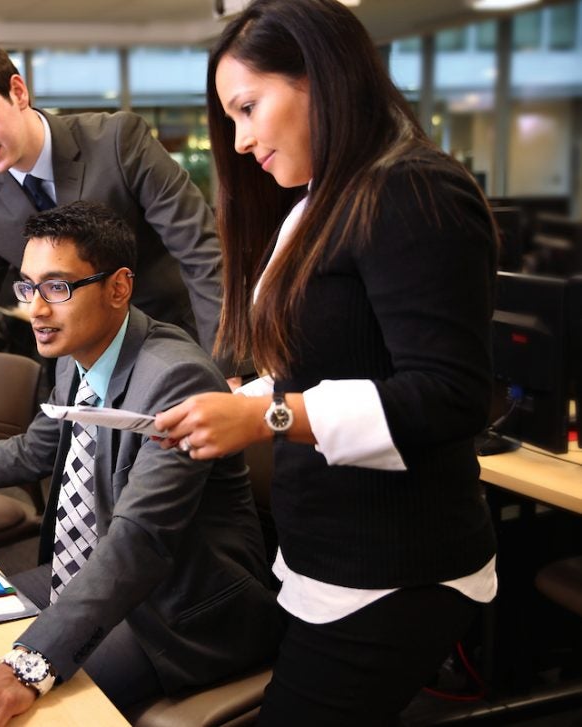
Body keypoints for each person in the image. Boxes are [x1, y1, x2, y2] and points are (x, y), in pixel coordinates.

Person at [153, 1, 499, 723]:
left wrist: (267, 414)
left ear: (320, 76)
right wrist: (252, 392)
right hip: (329, 554)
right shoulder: (317, 201)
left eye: (249, 108)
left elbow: (451, 393)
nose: (242, 141)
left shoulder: (409, 188)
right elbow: (337, 358)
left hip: (398, 567)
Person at [0, 201, 281, 725]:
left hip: (175, 613)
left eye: (57, 287)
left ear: (119, 288)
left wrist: (27, 667)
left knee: (13, 707)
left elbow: (139, 540)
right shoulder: (83, 353)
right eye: (27, 287)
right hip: (90, 578)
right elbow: (34, 450)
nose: (35, 310)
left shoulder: (173, 378)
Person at [0, 37, 234, 459]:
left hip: (172, 346)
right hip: (83, 370)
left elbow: (200, 251)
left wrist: (230, 373)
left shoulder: (116, 141)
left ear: (18, 92)